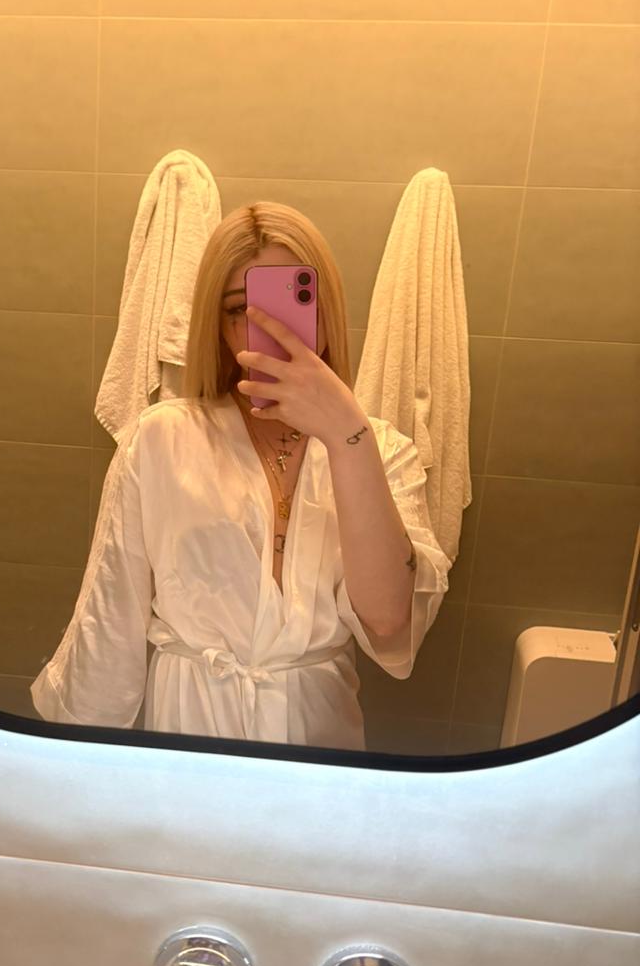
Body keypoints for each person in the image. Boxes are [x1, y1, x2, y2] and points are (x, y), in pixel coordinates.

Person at [30, 202, 451, 749]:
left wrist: (348, 437)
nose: (264, 327)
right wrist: (80, 762)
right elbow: (110, 617)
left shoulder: (383, 451)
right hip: (189, 729)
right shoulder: (160, 440)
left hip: (317, 736)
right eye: (238, 309)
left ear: (325, 308)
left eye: (292, 299)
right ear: (216, 325)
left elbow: (390, 622)